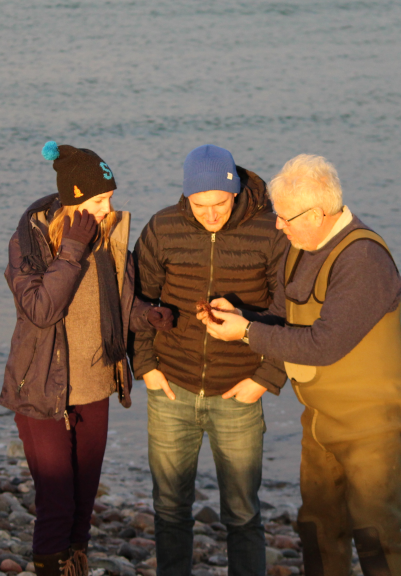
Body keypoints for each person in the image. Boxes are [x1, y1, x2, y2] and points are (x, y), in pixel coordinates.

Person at [200, 154, 401, 576]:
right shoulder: (302, 247)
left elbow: (323, 345)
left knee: (377, 536)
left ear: (317, 213)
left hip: (370, 424)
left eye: (285, 217)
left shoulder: (363, 260)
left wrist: (245, 332)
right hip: (319, 420)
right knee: (317, 529)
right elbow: (284, 317)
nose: (278, 226)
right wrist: (239, 315)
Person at [1, 141, 172, 576]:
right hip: (43, 392)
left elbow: (118, 305)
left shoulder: (110, 237)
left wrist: (148, 316)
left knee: (82, 503)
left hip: (96, 388)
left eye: (109, 198)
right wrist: (72, 250)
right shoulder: (29, 243)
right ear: (74, 199)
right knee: (57, 504)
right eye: (98, 200)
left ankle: (75, 565)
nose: (107, 208)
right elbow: (40, 309)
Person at [132, 144, 288, 576]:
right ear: (187, 197)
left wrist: (266, 376)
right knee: (169, 510)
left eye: (219, 203)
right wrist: (145, 366)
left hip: (239, 390)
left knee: (242, 514)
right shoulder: (162, 227)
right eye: (200, 205)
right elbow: (137, 301)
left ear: (235, 191)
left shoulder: (270, 230)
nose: (211, 213)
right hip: (171, 387)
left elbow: (290, 307)